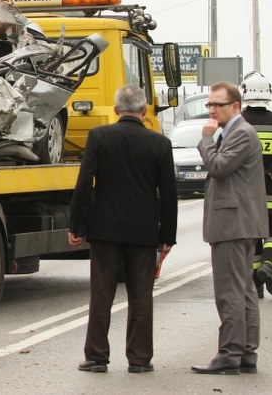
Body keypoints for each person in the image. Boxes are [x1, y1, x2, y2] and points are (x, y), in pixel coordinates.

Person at [68, 85, 178, 374]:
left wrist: (77, 225)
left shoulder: (100, 136)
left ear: (116, 110)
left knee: (101, 294)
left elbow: (84, 182)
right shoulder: (160, 143)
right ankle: (140, 359)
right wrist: (167, 236)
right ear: (144, 112)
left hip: (105, 228)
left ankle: (96, 357)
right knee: (141, 295)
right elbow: (168, 193)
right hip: (143, 231)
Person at [192, 81, 267, 375]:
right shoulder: (236, 132)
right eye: (209, 105)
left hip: (233, 225)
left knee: (230, 293)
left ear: (235, 106)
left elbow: (219, 166)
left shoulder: (241, 133)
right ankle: (246, 353)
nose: (211, 110)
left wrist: (206, 140)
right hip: (240, 223)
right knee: (244, 290)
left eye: (217, 105)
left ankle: (229, 354)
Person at [239, 71, 272, 298]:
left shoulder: (238, 122)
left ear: (244, 92)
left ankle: (256, 285)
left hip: (245, 194)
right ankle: (268, 266)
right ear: (268, 94)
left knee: (252, 238)